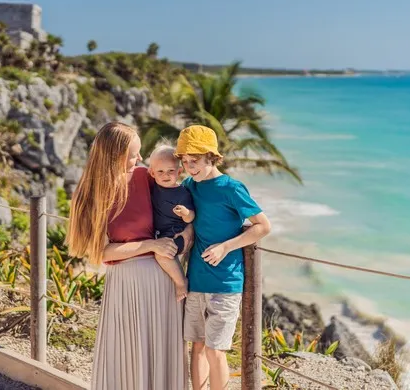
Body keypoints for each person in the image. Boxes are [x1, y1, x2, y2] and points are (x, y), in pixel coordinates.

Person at [66, 122, 192, 390]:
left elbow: (182, 197)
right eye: (133, 155)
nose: (140, 160)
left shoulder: (144, 176)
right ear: (114, 155)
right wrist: (152, 245)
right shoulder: (92, 194)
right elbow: (101, 252)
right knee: (128, 357)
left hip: (163, 280)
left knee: (163, 356)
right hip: (126, 284)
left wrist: (189, 231)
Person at [175, 125, 271, 390]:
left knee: (215, 351)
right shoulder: (189, 185)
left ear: (210, 156)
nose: (189, 167)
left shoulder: (232, 188)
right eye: (184, 162)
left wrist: (226, 246)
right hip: (195, 280)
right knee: (197, 347)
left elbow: (263, 226)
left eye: (194, 161)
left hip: (226, 283)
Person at [148, 144, 195, 301]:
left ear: (179, 172)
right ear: (152, 173)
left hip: (176, 233)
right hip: (160, 234)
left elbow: (191, 217)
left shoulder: (182, 193)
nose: (165, 175)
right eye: (160, 171)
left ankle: (181, 282)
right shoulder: (152, 188)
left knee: (161, 255)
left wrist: (185, 213)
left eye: (171, 171)